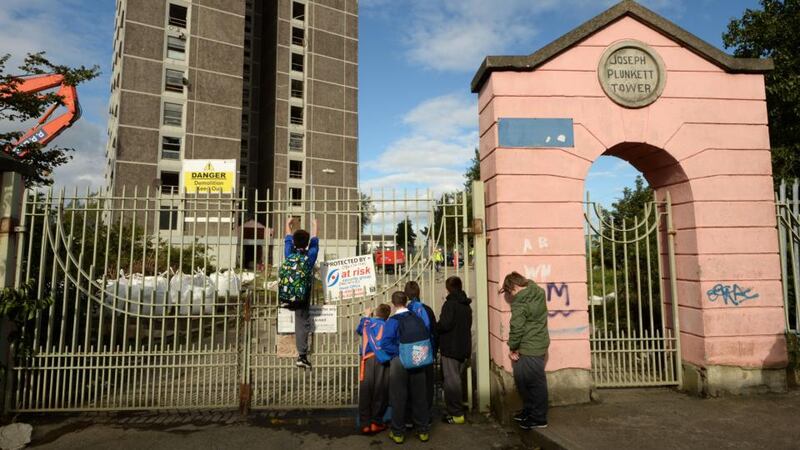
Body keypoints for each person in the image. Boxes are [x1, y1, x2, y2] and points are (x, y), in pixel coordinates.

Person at [500, 271, 550, 430]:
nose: (510, 295)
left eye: (510, 291)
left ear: (514, 287)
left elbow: (517, 328)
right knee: (523, 380)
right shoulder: (537, 292)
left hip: (529, 346)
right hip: (537, 343)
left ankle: (539, 418)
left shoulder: (520, 303)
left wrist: (513, 347)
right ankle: (529, 411)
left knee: (534, 383)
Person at [381, 291, 431, 444]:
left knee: (398, 397)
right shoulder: (416, 317)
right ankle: (423, 430)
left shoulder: (393, 321)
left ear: (393, 303)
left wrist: (401, 351)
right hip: (418, 359)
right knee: (420, 396)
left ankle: (398, 432)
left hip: (400, 361)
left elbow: (385, 343)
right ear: (406, 301)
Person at [284, 217, 319, 369]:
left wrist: (288, 224)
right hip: (303, 295)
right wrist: (315, 226)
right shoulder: (309, 257)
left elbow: (287, 239)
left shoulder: (289, 254)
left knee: (298, 321)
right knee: (302, 323)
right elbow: (315, 242)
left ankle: (300, 353)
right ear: (306, 243)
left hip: (289, 292)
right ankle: (302, 355)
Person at [437, 276, 472, 425]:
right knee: (456, 379)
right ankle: (455, 409)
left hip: (451, 348)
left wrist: (435, 326)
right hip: (463, 347)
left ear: (448, 288)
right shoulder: (465, 304)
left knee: (452, 382)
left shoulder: (450, 304)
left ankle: (456, 413)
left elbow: (445, 325)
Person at [403, 281, 437, 424]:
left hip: (409, 355)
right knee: (426, 387)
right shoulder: (427, 310)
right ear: (419, 293)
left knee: (409, 386)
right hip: (426, 352)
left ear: (405, 295)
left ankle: (409, 418)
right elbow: (434, 332)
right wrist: (434, 352)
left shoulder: (404, 312)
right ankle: (425, 417)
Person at [357, 304, 392, 435]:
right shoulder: (388, 325)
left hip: (367, 359)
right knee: (380, 391)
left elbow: (359, 330)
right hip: (382, 360)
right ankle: (375, 422)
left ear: (376, 312)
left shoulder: (368, 322)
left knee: (366, 391)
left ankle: (365, 423)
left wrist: (366, 315)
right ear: (388, 316)